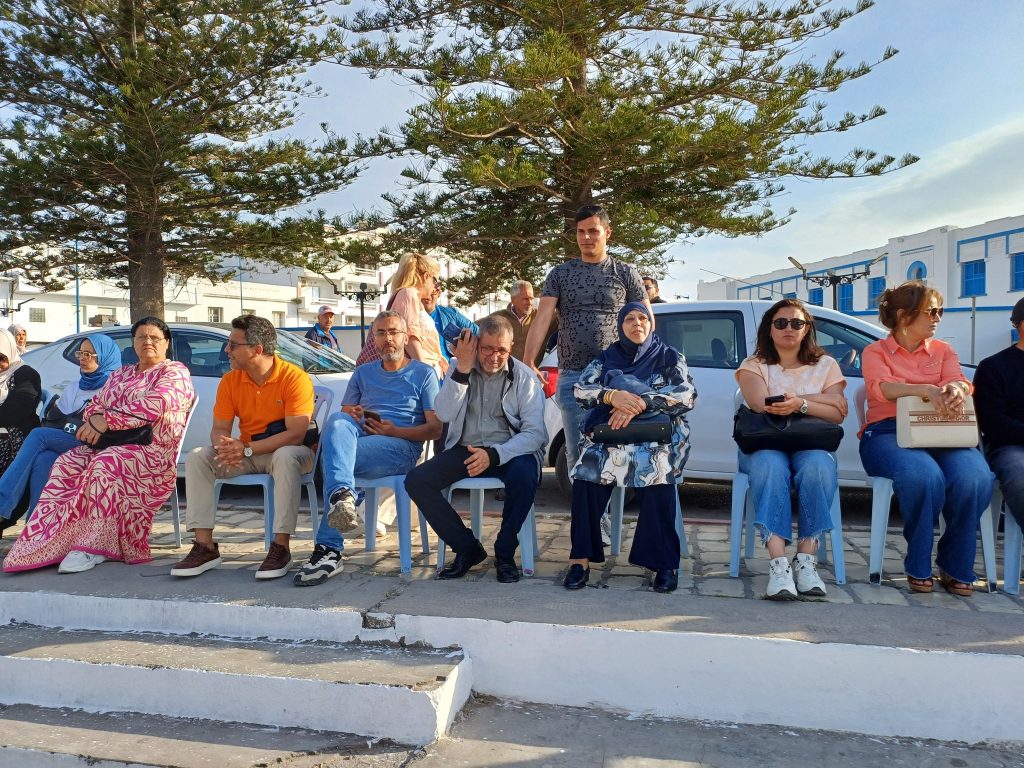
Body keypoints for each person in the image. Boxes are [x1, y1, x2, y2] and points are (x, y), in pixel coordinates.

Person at [3, 318, 194, 574]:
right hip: (110, 444)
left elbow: (155, 404)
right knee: (65, 462)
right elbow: (95, 405)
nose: (147, 342)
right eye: (141, 337)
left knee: (106, 464)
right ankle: (51, 539)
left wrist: (108, 420)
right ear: (134, 342)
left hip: (151, 451)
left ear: (166, 343)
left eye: (154, 338)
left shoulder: (174, 372)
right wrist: (96, 419)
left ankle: (95, 545)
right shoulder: (122, 373)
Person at [859, 281, 993, 597]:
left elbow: (959, 380)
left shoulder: (944, 350)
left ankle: (955, 565)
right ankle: (918, 562)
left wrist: (957, 389)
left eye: (939, 311)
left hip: (942, 431)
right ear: (903, 315)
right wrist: (925, 390)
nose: (938, 318)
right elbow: (881, 388)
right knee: (923, 475)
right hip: (887, 433)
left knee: (975, 477)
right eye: (931, 311)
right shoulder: (875, 352)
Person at [294, 311, 441, 586]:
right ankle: (342, 499)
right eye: (381, 333)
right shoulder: (363, 373)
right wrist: (357, 415)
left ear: (405, 337)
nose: (388, 339)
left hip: (402, 448)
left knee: (335, 456)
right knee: (337, 421)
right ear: (373, 339)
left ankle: (329, 547)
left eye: (393, 332)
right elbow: (345, 418)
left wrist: (395, 431)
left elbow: (435, 429)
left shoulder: (423, 374)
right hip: (364, 441)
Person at [563, 302, 696, 593]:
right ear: (620, 326)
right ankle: (579, 559)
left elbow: (686, 396)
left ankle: (664, 563)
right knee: (586, 473)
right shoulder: (606, 359)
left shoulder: (670, 357)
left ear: (651, 324)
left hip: (656, 438)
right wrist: (612, 397)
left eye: (643, 318)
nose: (637, 323)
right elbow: (581, 390)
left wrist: (640, 403)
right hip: (611, 437)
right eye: (630, 319)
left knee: (658, 472)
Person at [405, 315, 547, 583]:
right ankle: (467, 548)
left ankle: (505, 552)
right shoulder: (459, 367)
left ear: (511, 347)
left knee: (526, 475)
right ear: (477, 344)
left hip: (508, 449)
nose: (494, 356)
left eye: (501, 350)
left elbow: (535, 434)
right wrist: (462, 370)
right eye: (488, 349)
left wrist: (494, 455)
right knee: (417, 480)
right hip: (465, 448)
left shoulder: (524, 377)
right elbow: (444, 414)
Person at [173, 314, 315, 580]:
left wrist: (246, 448)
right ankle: (204, 546)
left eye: (233, 345)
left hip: (290, 452)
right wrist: (225, 446)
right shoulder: (231, 380)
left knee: (285, 456)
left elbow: (296, 435)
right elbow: (219, 428)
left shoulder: (294, 378)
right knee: (198, 457)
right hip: (247, 453)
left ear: (257, 349)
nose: (226, 350)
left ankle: (281, 547)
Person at [523, 204, 650, 477]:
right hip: (573, 378)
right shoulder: (560, 274)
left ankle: (608, 508)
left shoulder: (625, 273)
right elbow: (542, 319)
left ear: (607, 232)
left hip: (617, 377)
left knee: (616, 456)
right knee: (578, 455)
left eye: (593, 231)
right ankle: (583, 506)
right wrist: (528, 361)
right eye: (581, 232)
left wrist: (642, 366)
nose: (586, 237)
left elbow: (646, 322)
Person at [735, 299, 847, 599]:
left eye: (797, 323)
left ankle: (806, 560)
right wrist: (817, 400)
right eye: (780, 322)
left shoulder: (826, 365)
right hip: (764, 443)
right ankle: (779, 564)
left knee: (818, 467)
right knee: (771, 467)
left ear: (807, 328)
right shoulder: (754, 364)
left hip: (811, 444)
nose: (789, 328)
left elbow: (837, 413)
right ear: (769, 329)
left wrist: (800, 403)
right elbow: (761, 404)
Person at [0, 333, 121, 534]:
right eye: (80, 353)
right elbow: (57, 419)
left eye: (89, 354)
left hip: (102, 446)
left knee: (38, 435)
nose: (82, 358)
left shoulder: (115, 386)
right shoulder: (77, 386)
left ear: (105, 357)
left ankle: (2, 501)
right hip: (72, 441)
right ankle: (35, 531)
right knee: (44, 459)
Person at [974, 297, 1024, 531]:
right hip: (1010, 447)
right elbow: (992, 422)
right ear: (1019, 324)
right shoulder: (993, 367)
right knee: (1021, 474)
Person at [356, 252, 447, 378]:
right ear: (426, 276)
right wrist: (425, 372)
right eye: (434, 280)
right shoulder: (408, 294)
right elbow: (409, 335)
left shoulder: (407, 296)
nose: (435, 286)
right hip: (414, 375)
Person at [0, 328, 42, 477]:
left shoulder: (26, 374)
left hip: (16, 433)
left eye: (1, 357)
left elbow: (14, 411)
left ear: (10, 352)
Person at [490, 280, 557, 366]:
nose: (530, 303)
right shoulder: (498, 318)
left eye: (531, 298)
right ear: (513, 300)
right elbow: (474, 328)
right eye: (525, 299)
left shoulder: (542, 318)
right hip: (505, 371)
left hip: (532, 371)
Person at [422, 278, 478, 363]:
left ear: (439, 292)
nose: (428, 295)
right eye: (425, 291)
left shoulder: (451, 314)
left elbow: (478, 333)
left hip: (451, 368)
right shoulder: (410, 318)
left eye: (433, 291)